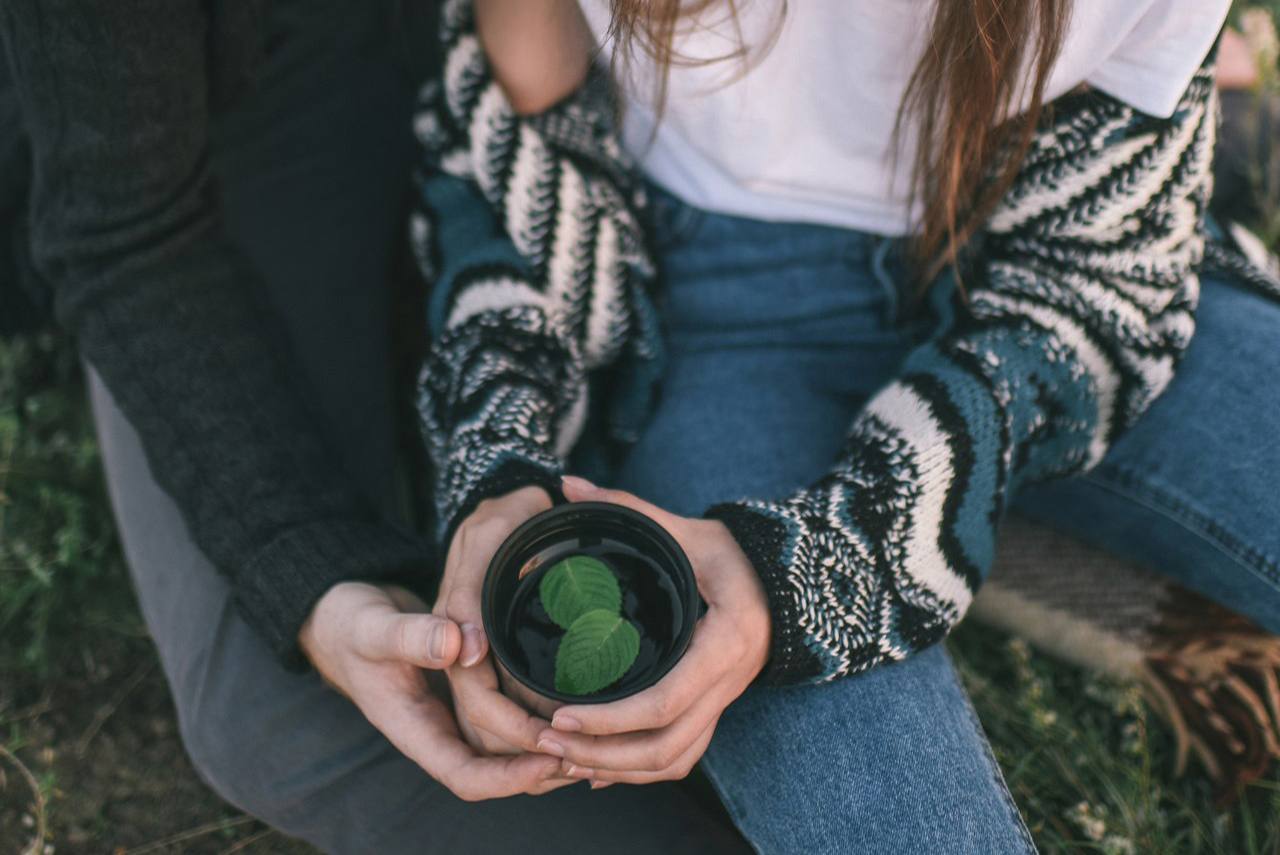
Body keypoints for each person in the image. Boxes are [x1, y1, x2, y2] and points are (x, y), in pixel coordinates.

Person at [413, 0, 1280, 852]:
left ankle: (984, 527)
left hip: (1041, 264)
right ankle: (990, 534)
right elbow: (511, 148)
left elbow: (1096, 284)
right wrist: (500, 464)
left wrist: (824, 567)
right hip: (714, 314)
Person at [0, 0, 749, 851]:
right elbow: (123, 230)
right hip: (242, 106)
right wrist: (304, 566)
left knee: (675, 593)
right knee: (277, 710)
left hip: (594, 102)